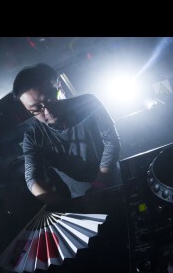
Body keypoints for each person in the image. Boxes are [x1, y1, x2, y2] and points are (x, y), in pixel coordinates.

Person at [12, 63, 121, 204]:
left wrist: (99, 185)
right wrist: (64, 207)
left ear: (59, 86)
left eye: (50, 99)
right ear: (27, 109)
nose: (48, 112)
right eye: (37, 108)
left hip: (117, 185)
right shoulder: (32, 137)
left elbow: (111, 141)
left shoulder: (88, 103)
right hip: (82, 202)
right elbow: (32, 178)